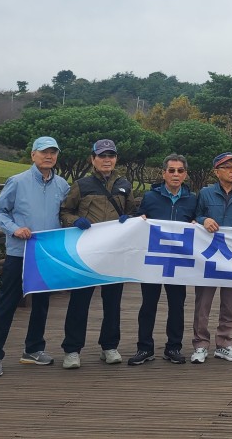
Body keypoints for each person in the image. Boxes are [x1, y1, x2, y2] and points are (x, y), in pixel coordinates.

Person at [0, 136, 69, 377]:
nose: (48, 156)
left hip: (46, 254)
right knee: (7, 303)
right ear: (33, 155)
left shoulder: (62, 185)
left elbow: (68, 213)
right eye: (43, 152)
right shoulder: (17, 181)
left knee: (41, 304)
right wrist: (13, 229)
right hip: (19, 253)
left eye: (53, 152)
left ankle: (33, 349)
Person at [58, 139, 136, 369]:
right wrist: (75, 221)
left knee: (112, 302)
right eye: (102, 156)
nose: (106, 160)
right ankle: (72, 350)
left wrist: (129, 219)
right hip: (86, 253)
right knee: (79, 302)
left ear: (116, 159)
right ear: (93, 159)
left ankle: (109, 346)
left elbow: (134, 212)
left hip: (114, 253)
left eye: (111, 155)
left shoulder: (124, 185)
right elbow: (65, 212)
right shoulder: (81, 185)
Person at [127, 154, 199, 366]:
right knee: (148, 305)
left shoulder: (192, 199)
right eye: (171, 170)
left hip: (178, 261)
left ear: (185, 174)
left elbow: (198, 220)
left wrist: (198, 222)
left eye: (180, 171)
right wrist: (138, 219)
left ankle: (173, 347)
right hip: (154, 260)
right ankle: (144, 347)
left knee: (177, 305)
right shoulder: (151, 197)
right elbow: (139, 219)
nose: (176, 174)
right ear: (164, 173)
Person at [190, 151, 232, 364]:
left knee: (229, 304)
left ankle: (224, 343)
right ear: (216, 172)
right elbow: (195, 216)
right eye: (228, 167)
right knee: (203, 303)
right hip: (208, 257)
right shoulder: (205, 193)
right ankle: (200, 345)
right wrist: (204, 220)